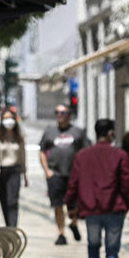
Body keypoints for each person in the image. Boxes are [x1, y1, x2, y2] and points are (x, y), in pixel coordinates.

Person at [67, 118, 129, 258]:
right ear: (110, 133)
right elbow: (127, 184)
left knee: (93, 245)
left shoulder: (82, 155)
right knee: (112, 250)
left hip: (91, 209)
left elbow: (73, 182)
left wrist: (70, 206)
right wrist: (127, 204)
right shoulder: (120, 155)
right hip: (115, 209)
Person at [37, 105, 90, 245]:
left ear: (69, 115)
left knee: (74, 204)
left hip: (74, 174)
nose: (59, 115)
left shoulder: (77, 132)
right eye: (57, 112)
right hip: (55, 174)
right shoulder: (49, 132)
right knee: (57, 205)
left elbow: (86, 151)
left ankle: (73, 223)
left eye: (62, 112)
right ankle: (61, 233)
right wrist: (46, 170)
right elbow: (42, 150)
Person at [0, 108, 28, 227]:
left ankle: (13, 226)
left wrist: (24, 174)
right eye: (6, 118)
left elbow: (22, 155)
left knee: (12, 200)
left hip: (15, 170)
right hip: (1, 171)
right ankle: (8, 224)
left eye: (11, 118)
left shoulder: (19, 136)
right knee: (4, 200)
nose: (9, 121)